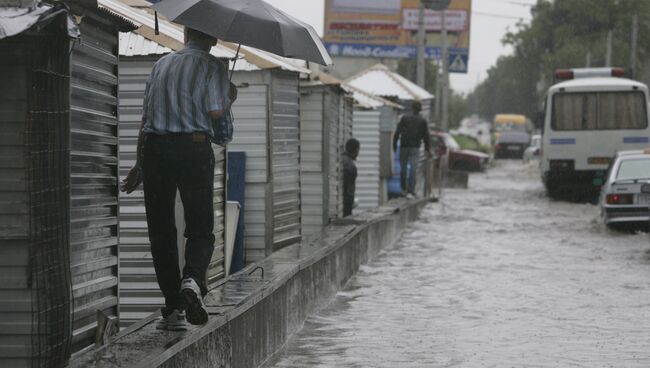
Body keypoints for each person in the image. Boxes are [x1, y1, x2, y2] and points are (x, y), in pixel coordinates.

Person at [120, 28, 237, 331]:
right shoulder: (214, 67)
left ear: (185, 33)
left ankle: (173, 309)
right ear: (213, 38)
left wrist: (139, 164)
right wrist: (229, 98)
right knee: (200, 227)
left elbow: (146, 120)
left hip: (155, 151)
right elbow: (217, 116)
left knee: (161, 229)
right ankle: (193, 281)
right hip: (194, 148)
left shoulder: (161, 64)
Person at [392, 101, 431, 199]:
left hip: (404, 147)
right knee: (413, 169)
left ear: (412, 108)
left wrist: (394, 145)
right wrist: (427, 149)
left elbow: (397, 132)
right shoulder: (422, 121)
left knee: (403, 169)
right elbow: (426, 137)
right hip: (415, 148)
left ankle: (403, 190)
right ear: (420, 109)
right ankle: (411, 191)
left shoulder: (404, 118)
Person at [342, 138, 360, 217]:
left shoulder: (341, 160)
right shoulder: (351, 167)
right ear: (356, 150)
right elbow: (350, 190)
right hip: (345, 205)